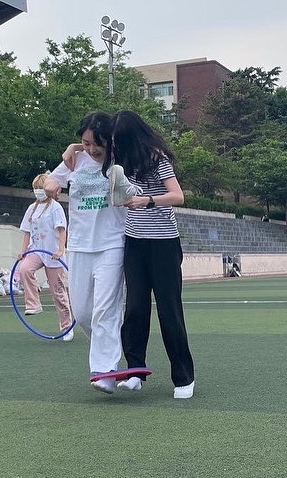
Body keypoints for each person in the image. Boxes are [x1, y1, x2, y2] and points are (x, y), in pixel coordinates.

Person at [43, 111, 138, 394]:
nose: (92, 149)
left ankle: (104, 370)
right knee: (83, 312)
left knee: (104, 310)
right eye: (86, 143)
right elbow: (50, 183)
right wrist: (53, 181)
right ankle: (110, 350)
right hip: (80, 246)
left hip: (112, 243)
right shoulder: (75, 159)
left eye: (98, 143)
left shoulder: (121, 160)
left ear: (110, 140)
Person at [111, 110, 196, 399]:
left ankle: (184, 377)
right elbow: (82, 151)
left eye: (118, 139)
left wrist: (147, 200)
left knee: (169, 309)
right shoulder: (119, 161)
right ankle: (135, 371)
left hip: (163, 244)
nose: (114, 144)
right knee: (135, 308)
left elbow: (177, 196)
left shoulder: (157, 159)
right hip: (134, 243)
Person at [17, 173, 73, 341]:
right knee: (24, 269)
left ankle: (66, 326)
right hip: (36, 250)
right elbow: (27, 231)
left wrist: (60, 249)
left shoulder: (55, 207)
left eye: (40, 188)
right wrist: (23, 250)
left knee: (58, 292)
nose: (37, 191)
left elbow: (62, 229)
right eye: (35, 188)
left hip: (53, 253)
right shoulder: (32, 208)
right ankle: (33, 304)